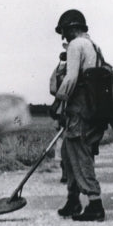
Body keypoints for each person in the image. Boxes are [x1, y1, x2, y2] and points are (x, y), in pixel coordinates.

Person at [53, 9, 106, 221]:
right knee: (69, 152)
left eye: (64, 31)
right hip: (93, 110)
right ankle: (73, 200)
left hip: (80, 110)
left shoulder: (76, 45)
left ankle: (95, 204)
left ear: (72, 28)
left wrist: (58, 101)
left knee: (80, 154)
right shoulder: (94, 46)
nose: (63, 36)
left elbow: (71, 78)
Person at [49, 44, 71, 183]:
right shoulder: (59, 70)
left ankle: (67, 173)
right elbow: (53, 89)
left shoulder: (59, 70)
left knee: (63, 139)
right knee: (63, 139)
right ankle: (65, 172)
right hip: (64, 109)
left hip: (65, 108)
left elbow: (52, 89)